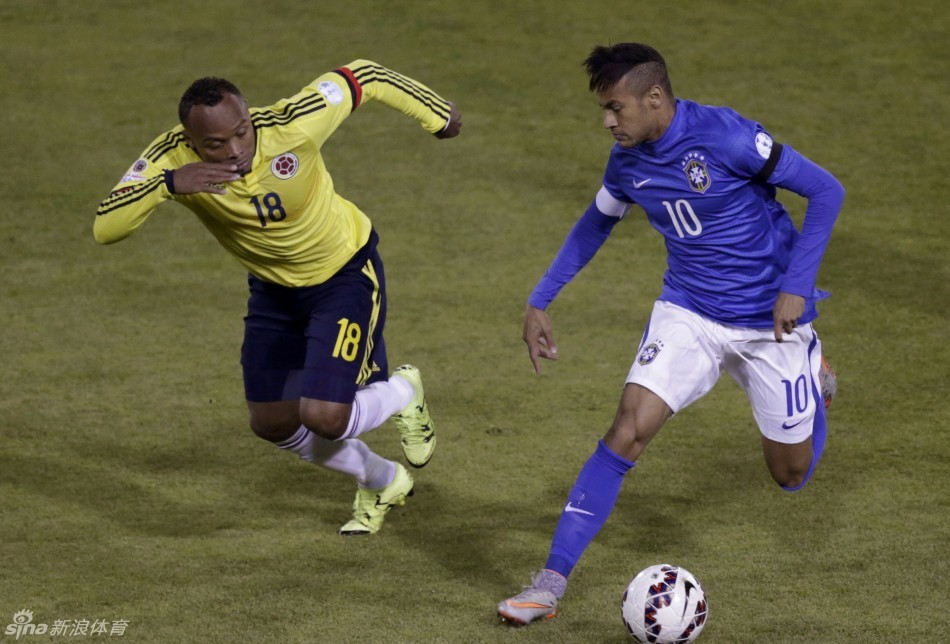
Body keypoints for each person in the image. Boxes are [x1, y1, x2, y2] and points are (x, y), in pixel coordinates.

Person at [497, 43, 842, 624]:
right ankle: (548, 585)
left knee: (791, 475)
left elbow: (827, 190)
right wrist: (540, 298)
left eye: (616, 108)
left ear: (654, 97)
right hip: (689, 312)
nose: (608, 122)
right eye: (604, 110)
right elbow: (595, 224)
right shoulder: (626, 161)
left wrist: (797, 286)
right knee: (627, 429)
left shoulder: (728, 137)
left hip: (769, 322)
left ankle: (813, 378)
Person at [95, 60, 462, 536]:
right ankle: (382, 480)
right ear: (191, 141)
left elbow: (364, 76)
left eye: (241, 132)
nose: (235, 150)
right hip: (273, 293)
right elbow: (105, 227)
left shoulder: (291, 124)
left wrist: (437, 115)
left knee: (325, 417)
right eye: (216, 144)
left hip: (343, 276)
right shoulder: (171, 158)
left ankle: (404, 391)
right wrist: (167, 185)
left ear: (249, 117)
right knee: (271, 422)